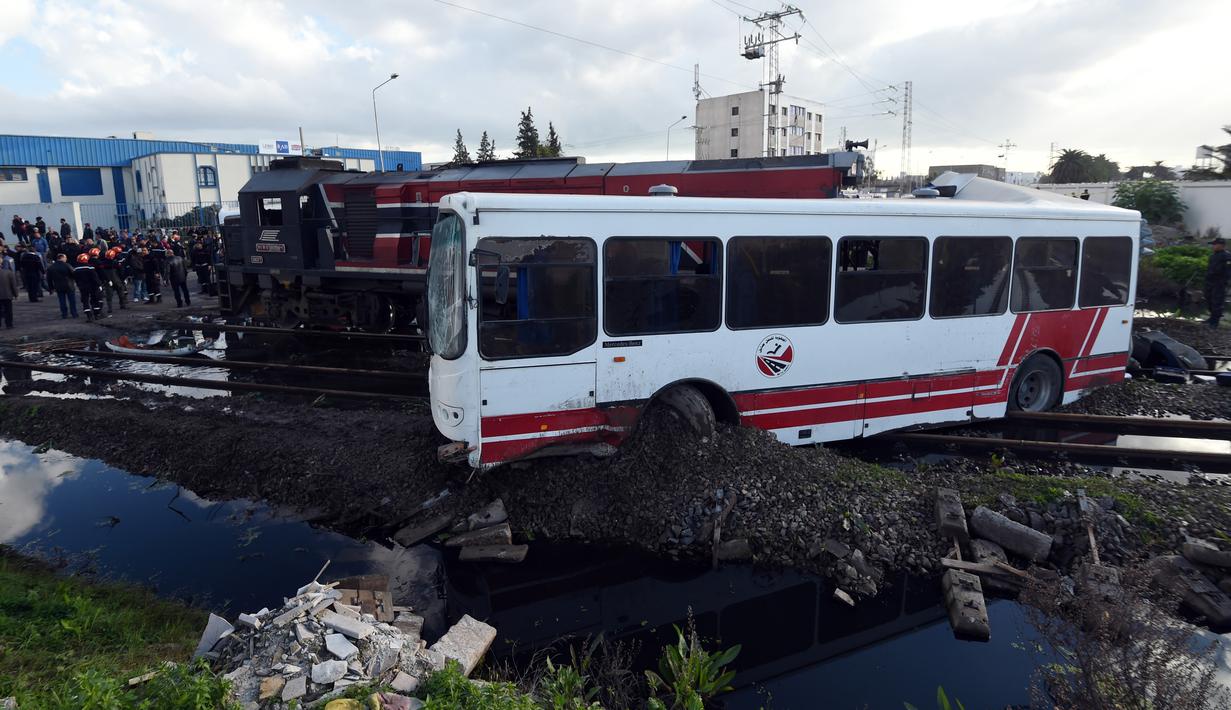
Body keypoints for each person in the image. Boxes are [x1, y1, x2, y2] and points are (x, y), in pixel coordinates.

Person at [1207, 237, 1231, 328]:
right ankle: (1211, 318)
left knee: (1217, 302)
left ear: (1221, 245)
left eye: (1214, 244)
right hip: (1210, 281)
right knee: (1209, 299)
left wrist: (1225, 281)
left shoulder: (1227, 256)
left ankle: (1215, 322)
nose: (1213, 246)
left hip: (1219, 282)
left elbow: (1228, 271)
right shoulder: (1213, 256)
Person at [46, 253, 78, 319]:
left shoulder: (51, 267)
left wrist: (51, 288)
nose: (66, 259)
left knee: (62, 301)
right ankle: (74, 313)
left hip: (58, 286)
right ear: (62, 258)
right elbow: (74, 274)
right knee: (72, 301)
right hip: (69, 285)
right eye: (65, 257)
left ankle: (64, 314)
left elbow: (49, 279)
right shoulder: (67, 265)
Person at [73, 253, 103, 321]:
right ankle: (96, 315)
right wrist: (99, 284)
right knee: (95, 300)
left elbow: (75, 279)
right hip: (92, 286)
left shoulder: (76, 269)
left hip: (82, 287)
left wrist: (79, 285)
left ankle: (89, 315)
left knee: (85, 301)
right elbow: (95, 278)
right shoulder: (90, 268)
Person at [98, 247, 127, 312]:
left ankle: (110, 308)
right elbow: (121, 272)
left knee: (109, 295)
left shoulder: (102, 264)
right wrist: (123, 279)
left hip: (108, 281)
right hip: (117, 280)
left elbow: (102, 273)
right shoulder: (116, 263)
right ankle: (122, 305)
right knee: (120, 292)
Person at [0, 255, 16, 328]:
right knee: (8, 310)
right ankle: (9, 324)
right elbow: (13, 285)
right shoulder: (8, 272)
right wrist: (15, 294)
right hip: (7, 295)